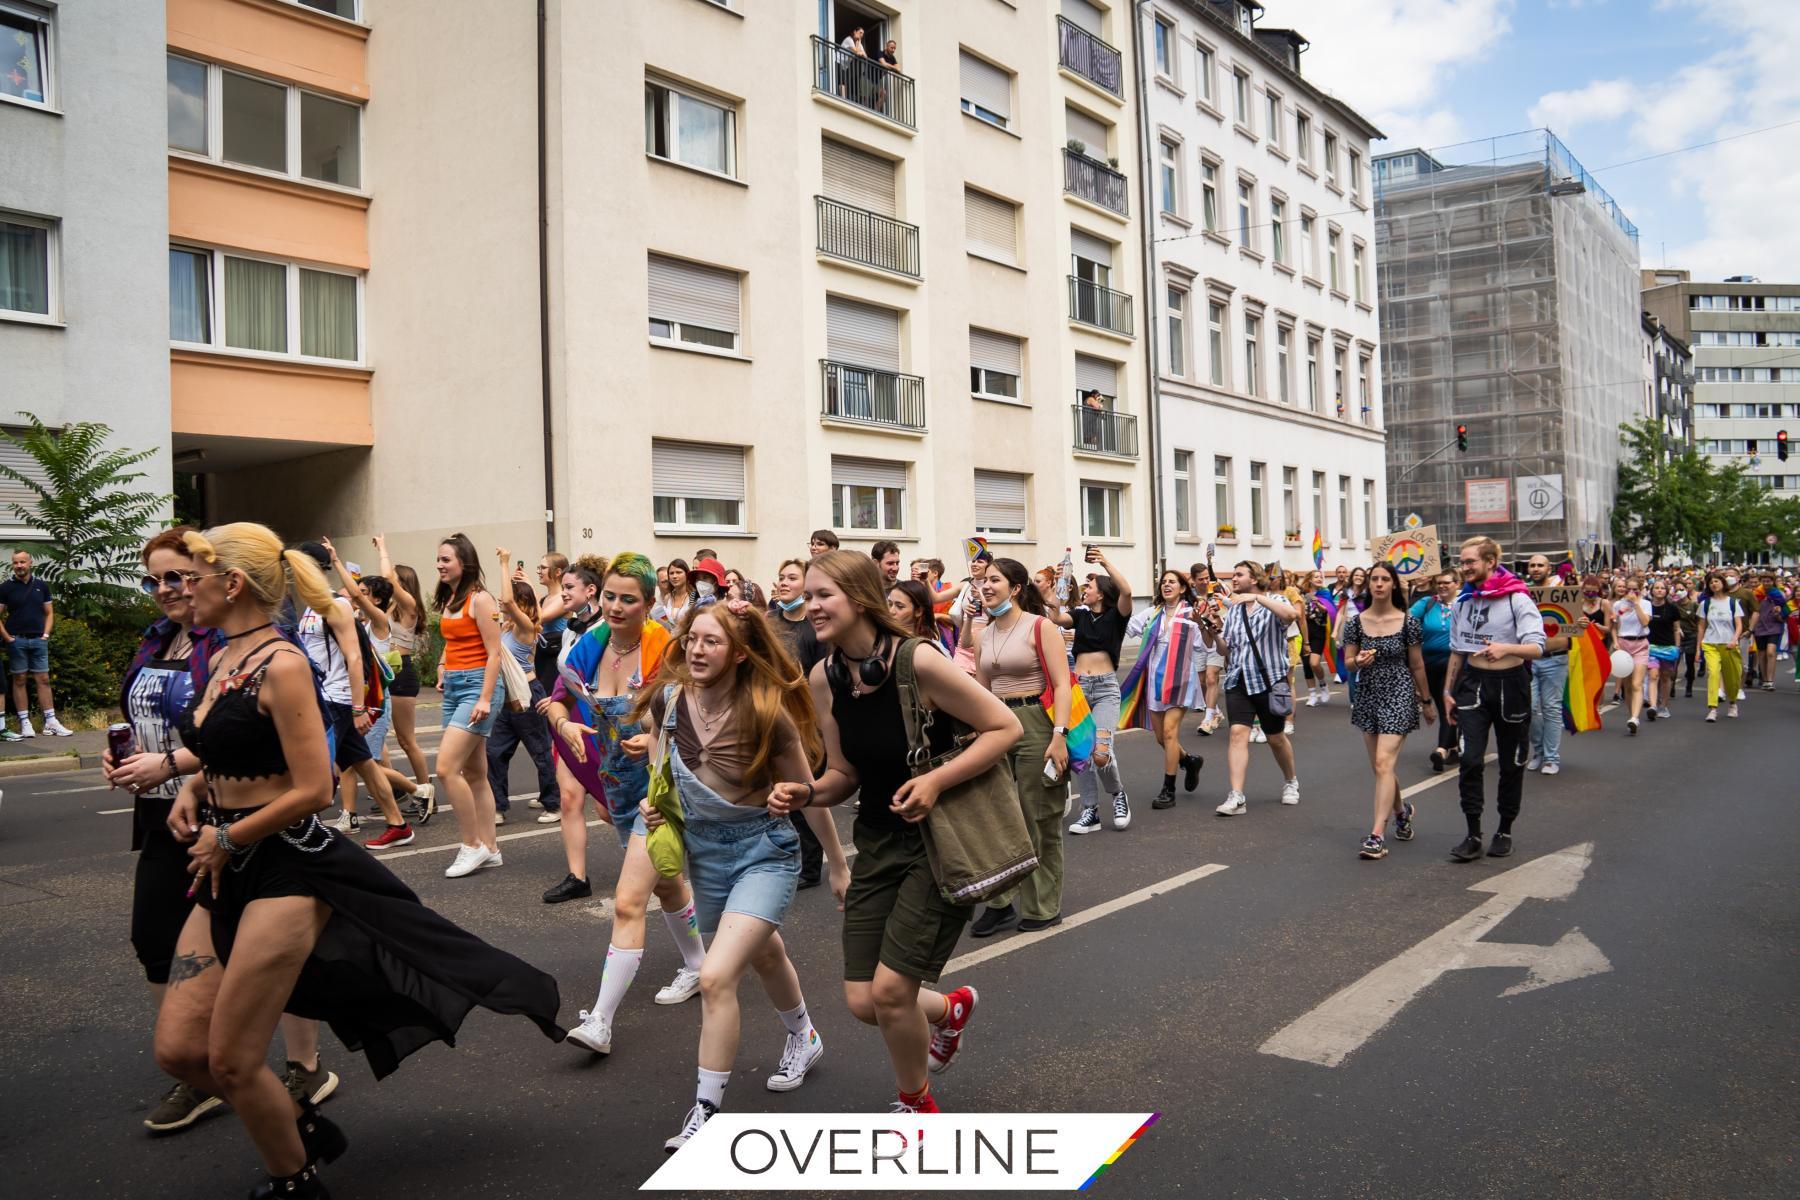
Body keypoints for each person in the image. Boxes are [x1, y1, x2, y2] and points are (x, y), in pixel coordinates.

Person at [152, 523, 563, 1199]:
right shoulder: (222, 656)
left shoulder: (281, 663)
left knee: (229, 1059)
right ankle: (295, 1125)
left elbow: (314, 789)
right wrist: (197, 785)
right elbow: (229, 740)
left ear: (231, 583)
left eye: (187, 576)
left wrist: (229, 835)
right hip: (225, 861)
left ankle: (295, 1179)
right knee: (178, 1050)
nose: (174, 589)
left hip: (285, 865)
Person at [771, 550, 1017, 1113]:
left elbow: (1002, 728)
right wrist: (807, 792)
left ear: (859, 599)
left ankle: (916, 1101)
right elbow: (843, 775)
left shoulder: (918, 661)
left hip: (939, 844)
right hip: (878, 843)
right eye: (806, 596)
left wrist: (934, 782)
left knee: (890, 992)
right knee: (863, 1001)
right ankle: (950, 1009)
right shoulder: (825, 677)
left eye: (821, 595)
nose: (809, 607)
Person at [628, 606, 850, 1151]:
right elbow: (662, 769)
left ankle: (706, 1111)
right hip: (704, 854)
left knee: (715, 975)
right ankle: (804, 1034)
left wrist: (840, 864)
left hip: (764, 851)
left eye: (712, 642)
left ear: (740, 654)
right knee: (764, 953)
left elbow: (809, 794)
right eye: (692, 640)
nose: (697, 650)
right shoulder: (669, 700)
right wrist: (654, 804)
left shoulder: (766, 712)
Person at [549, 553, 711, 1055]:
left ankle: (600, 1021)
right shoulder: (587, 647)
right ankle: (701, 966)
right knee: (667, 883)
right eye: (610, 597)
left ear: (648, 604)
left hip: (662, 788)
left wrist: (652, 733)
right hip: (616, 787)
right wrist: (565, 723)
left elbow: (697, 713)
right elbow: (555, 699)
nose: (615, 607)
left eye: (628, 599)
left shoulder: (665, 649)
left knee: (628, 900)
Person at [106, 527, 217, 1134]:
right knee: (153, 938)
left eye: (175, 576)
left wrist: (172, 764)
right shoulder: (158, 638)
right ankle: (195, 1073)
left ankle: (304, 1065)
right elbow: (141, 717)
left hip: (224, 812)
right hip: (158, 813)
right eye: (154, 579)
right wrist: (121, 758)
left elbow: (247, 736)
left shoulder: (231, 641)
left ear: (206, 573)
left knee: (256, 948)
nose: (164, 589)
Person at [966, 558, 1072, 938]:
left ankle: (1042, 906)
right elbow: (980, 689)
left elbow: (1061, 684)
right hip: (997, 726)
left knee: (1038, 816)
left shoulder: (1040, 627)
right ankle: (1000, 903)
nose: (986, 585)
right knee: (996, 817)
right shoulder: (984, 633)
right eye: (982, 580)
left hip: (1036, 724)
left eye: (995, 580)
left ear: (1015, 588)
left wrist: (1059, 734)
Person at [291, 541, 408, 847]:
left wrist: (358, 709)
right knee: (366, 765)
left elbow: (354, 658)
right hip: (323, 695)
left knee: (317, 766)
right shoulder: (309, 607)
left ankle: (305, 833)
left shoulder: (336, 605)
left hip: (336, 699)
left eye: (297, 566)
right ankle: (399, 826)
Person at [1443, 537, 1546, 862]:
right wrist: (1448, 691)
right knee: (1470, 760)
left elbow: (1538, 646)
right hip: (1473, 683)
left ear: (1490, 562)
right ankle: (1473, 833)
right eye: (1462, 561)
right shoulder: (1463, 601)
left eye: (1470, 561)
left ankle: (1504, 829)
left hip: (1510, 683)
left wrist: (1507, 648)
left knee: (1511, 761)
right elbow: (1458, 650)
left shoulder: (1517, 597)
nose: (1464, 567)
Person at [1343, 563, 1433, 860]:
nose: (1379, 584)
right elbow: (1349, 662)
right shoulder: (1356, 622)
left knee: (1383, 763)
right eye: (1374, 580)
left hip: (1399, 692)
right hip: (1368, 694)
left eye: (1385, 579)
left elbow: (1417, 665)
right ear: (1368, 585)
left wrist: (1427, 701)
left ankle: (1376, 835)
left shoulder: (1408, 623)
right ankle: (1402, 811)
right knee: (1381, 767)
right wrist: (1360, 662)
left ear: (1394, 584)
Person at [433, 533, 507, 878]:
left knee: (446, 769)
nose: (439, 565)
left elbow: (494, 653)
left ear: (464, 561)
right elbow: (453, 642)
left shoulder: (481, 600)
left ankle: (471, 845)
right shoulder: (451, 599)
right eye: (439, 559)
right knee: (475, 773)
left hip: (478, 687)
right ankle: (490, 848)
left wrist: (485, 698)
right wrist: (442, 667)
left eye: (446, 559)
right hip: (455, 687)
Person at [539, 558, 611, 900]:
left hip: (600, 722)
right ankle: (577, 877)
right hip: (569, 722)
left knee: (607, 807)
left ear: (590, 590)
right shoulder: (569, 628)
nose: (563, 593)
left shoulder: (609, 628)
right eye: (563, 587)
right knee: (569, 798)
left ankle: (660, 848)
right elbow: (566, 676)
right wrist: (555, 702)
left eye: (569, 588)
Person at [1211, 561, 1301, 816]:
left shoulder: (1274, 601)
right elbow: (1226, 649)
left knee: (1275, 737)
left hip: (1269, 680)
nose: (1234, 578)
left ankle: (1291, 781)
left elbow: (1291, 616)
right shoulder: (1235, 610)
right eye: (1234, 574)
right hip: (1239, 680)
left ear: (1254, 578)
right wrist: (1214, 630)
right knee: (1238, 734)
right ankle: (1237, 795)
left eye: (1239, 574)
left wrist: (1257, 598)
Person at [1052, 548, 1132, 835]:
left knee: (1101, 751)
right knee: (1082, 754)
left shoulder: (1117, 616)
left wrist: (1104, 562)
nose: (1085, 590)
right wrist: (1057, 585)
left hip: (1106, 690)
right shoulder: (1080, 615)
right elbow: (1056, 617)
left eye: (1090, 586)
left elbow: (1127, 590)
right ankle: (1090, 811)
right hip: (1078, 689)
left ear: (1101, 593)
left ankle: (1118, 794)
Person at [486, 550, 560, 826]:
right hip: (505, 698)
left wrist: (504, 563)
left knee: (540, 752)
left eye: (509, 600)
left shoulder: (526, 628)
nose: (502, 602)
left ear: (520, 603)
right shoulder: (505, 626)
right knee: (495, 752)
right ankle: (498, 806)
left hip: (527, 697)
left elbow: (508, 599)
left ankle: (553, 804)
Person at [1125, 569, 1204, 811]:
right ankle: (1189, 761)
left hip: (1180, 680)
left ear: (1182, 588)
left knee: (1170, 734)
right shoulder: (1152, 613)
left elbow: (1204, 644)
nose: (1166, 585)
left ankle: (1168, 790)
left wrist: (1204, 622)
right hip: (1154, 681)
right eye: (1164, 582)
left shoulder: (1191, 614)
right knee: (1161, 738)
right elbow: (1125, 626)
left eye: (1172, 582)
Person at [372, 537, 433, 811]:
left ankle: (425, 794)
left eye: (395, 579)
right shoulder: (388, 608)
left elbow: (385, 576)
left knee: (407, 740)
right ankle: (390, 791)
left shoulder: (409, 606)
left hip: (401, 674)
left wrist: (383, 549)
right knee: (379, 737)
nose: (389, 582)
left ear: (402, 583)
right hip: (383, 672)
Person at [0, 548, 71, 737]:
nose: (19, 566)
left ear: (30, 563)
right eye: (15, 562)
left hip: (39, 640)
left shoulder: (41, 585)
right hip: (17, 640)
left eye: (22, 562)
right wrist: (8, 638)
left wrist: (46, 635)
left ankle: (50, 722)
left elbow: (49, 612)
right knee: (19, 679)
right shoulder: (5, 587)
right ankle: (25, 723)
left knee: (44, 679)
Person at [1521, 557, 1579, 777]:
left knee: (1551, 709)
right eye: (1532, 565)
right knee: (1530, 708)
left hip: (1556, 659)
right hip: (1529, 660)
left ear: (1549, 568)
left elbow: (1575, 620)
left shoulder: (1564, 590)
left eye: (1540, 565)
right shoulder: (1522, 593)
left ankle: (1552, 757)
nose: (1535, 569)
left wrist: (1580, 622)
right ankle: (1539, 753)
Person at [1411, 570, 1461, 772]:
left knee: (1447, 705)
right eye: (1438, 582)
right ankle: (1454, 748)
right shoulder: (1427, 603)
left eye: (1446, 582)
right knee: (1442, 706)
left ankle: (1441, 750)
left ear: (1457, 583)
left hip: (1455, 663)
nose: (1441, 586)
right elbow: (1405, 621)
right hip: (1427, 664)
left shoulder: (1465, 603)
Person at [1698, 571, 1744, 721]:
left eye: (1716, 581)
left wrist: (1734, 639)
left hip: (1729, 645)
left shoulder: (1733, 602)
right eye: (1711, 582)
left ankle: (1732, 704)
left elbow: (1739, 625)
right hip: (1710, 643)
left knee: (1732, 677)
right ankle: (1713, 708)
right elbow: (1701, 627)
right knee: (1713, 673)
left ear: (1723, 583)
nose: (1714, 584)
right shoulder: (1705, 604)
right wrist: (1699, 648)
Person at [1613, 578, 1651, 735]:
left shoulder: (1645, 604)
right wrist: (1615, 642)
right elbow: (1614, 627)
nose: (1630, 593)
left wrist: (1635, 604)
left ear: (1640, 589)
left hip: (1640, 644)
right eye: (1628, 589)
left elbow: (1645, 622)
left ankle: (1635, 717)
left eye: (1634, 590)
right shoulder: (1618, 605)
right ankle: (1632, 715)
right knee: (1627, 686)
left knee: (1637, 683)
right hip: (1623, 644)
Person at [1645, 579, 1681, 720]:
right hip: (1650, 647)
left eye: (1662, 588)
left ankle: (1664, 705)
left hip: (1668, 647)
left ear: (1666, 591)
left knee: (1665, 677)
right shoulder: (1647, 607)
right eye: (1656, 588)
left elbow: (1677, 629)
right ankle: (1653, 705)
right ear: (1652, 590)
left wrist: (1677, 647)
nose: (1659, 590)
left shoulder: (1672, 608)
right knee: (1653, 676)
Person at [1751, 572, 1786, 691]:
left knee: (1771, 652)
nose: (1766, 583)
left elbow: (1785, 608)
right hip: (1760, 626)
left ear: (1773, 582)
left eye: (1769, 581)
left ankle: (1770, 680)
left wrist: (1779, 612)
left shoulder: (1778, 594)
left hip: (1774, 626)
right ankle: (1765, 679)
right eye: (1764, 581)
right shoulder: (1756, 594)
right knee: (1761, 654)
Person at [886, 579, 941, 643]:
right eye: (890, 604)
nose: (891, 611)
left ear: (918, 611)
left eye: (899, 606)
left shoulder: (924, 647)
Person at [656, 558, 695, 629]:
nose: (674, 576)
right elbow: (665, 622)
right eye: (671, 573)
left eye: (678, 572)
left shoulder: (693, 596)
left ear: (686, 574)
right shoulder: (667, 597)